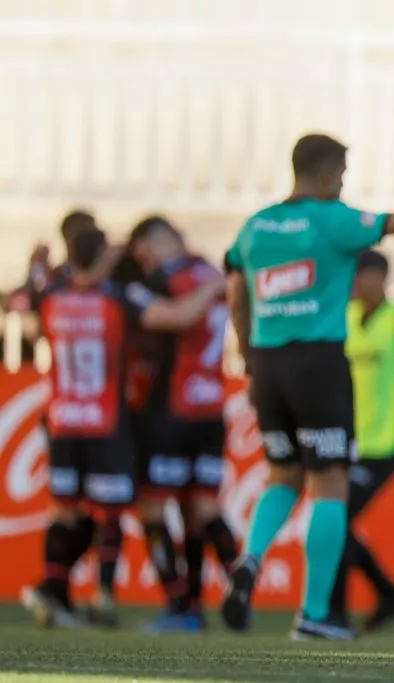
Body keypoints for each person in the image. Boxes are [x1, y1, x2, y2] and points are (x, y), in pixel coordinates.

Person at [221, 132, 394, 640]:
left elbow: (236, 288)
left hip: (266, 365)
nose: (344, 182)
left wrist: (245, 356)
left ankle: (249, 560)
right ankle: (312, 614)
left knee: (281, 475)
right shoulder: (334, 220)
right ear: (330, 173)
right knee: (328, 484)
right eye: (344, 174)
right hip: (318, 362)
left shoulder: (255, 227)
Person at [18, 228, 226, 629]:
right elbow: (177, 316)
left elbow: (29, 322)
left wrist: (37, 271)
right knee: (111, 511)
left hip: (62, 418)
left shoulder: (55, 295)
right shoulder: (119, 296)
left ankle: (55, 590)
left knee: (65, 511)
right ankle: (105, 595)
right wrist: (214, 283)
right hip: (108, 419)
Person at [122, 217, 238, 633]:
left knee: (153, 507)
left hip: (170, 412)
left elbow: (172, 319)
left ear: (162, 238)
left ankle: (179, 606)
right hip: (211, 408)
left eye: (145, 251)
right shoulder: (211, 273)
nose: (147, 261)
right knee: (201, 509)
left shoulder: (164, 282)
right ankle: (237, 585)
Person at [326, 249, 394, 637]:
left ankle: (335, 614)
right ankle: (389, 596)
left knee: (337, 518)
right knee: (337, 521)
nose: (357, 284)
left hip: (385, 441)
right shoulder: (344, 319)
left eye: (362, 275)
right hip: (348, 441)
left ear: (381, 277)